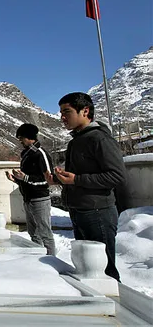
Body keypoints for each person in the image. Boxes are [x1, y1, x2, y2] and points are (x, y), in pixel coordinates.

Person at [47, 92, 125, 281]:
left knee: (104, 271)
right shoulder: (76, 141)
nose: (62, 117)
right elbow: (80, 175)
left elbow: (116, 176)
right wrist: (59, 179)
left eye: (67, 112)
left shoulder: (100, 139)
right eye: (61, 113)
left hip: (97, 212)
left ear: (85, 111)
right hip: (79, 210)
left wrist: (76, 180)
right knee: (87, 268)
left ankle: (114, 299)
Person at [6, 123, 56, 255]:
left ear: (29, 137)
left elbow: (48, 179)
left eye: (21, 138)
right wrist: (16, 179)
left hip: (40, 199)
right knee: (33, 233)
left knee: (45, 233)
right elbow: (27, 179)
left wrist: (25, 177)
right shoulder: (26, 154)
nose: (20, 141)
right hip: (28, 199)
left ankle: (52, 259)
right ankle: (37, 256)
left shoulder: (40, 154)